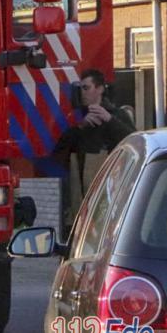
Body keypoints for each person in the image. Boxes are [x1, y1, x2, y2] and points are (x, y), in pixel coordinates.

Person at [54, 69, 135, 233]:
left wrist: (109, 120)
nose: (83, 93)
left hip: (109, 195)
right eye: (80, 89)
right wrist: (80, 127)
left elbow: (134, 141)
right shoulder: (77, 119)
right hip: (80, 199)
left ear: (100, 89)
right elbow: (59, 152)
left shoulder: (117, 115)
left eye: (86, 88)